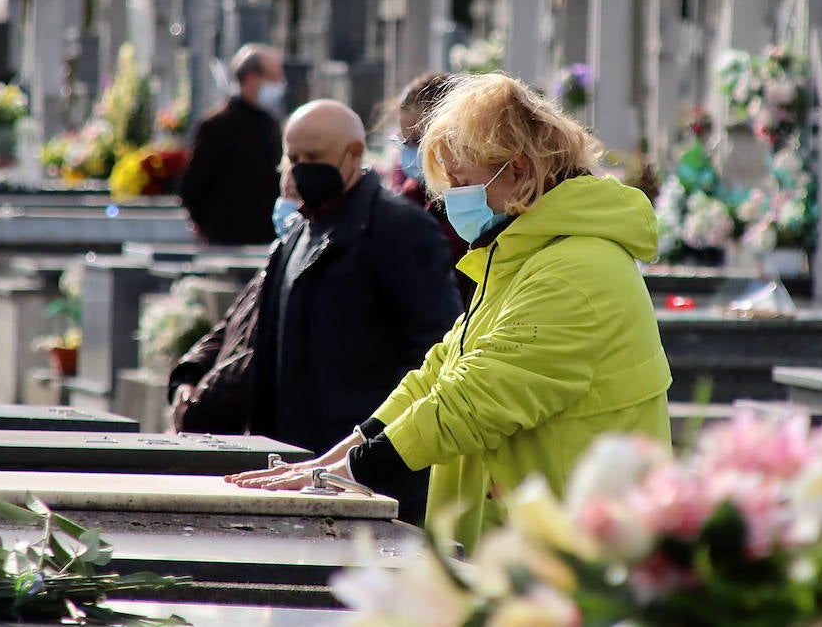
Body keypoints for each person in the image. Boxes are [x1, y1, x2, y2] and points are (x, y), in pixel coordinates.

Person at [230, 73, 671, 552]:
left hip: (571, 552)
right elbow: (440, 369)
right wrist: (342, 454)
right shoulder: (525, 253)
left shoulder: (574, 269)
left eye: (463, 182)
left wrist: (351, 472)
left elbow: (475, 399)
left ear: (519, 171)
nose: (455, 198)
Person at [244, 99, 462, 522]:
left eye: (316, 158)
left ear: (355, 154)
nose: (303, 168)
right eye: (295, 158)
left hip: (365, 477)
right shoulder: (294, 237)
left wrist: (374, 453)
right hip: (294, 466)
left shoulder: (399, 230)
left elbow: (433, 353)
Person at [167, 174, 301, 434]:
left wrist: (195, 405)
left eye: (295, 196)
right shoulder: (275, 258)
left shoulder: (295, 267)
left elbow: (252, 358)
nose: (286, 205)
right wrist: (187, 375)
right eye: (285, 194)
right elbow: (228, 327)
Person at [179, 44, 286, 245]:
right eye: (273, 78)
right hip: (226, 239)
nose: (280, 85)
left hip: (266, 238)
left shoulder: (270, 124)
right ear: (251, 77)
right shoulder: (217, 125)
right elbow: (193, 186)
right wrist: (207, 226)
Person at [384, 71, 472, 302]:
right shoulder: (412, 196)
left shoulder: (475, 204)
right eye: (403, 142)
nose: (409, 153)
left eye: (417, 141)